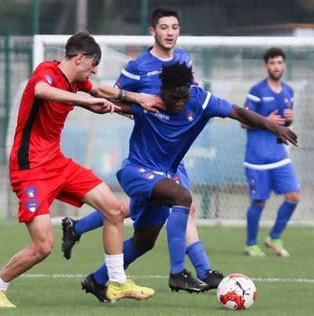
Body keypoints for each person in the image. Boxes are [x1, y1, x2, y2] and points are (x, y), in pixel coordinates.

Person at [78, 62, 297, 302]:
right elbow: (104, 99)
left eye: (183, 96)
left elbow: (238, 112)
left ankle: (97, 279)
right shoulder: (149, 102)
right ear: (163, 90)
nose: (179, 102)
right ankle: (177, 273)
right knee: (182, 196)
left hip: (164, 176)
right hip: (137, 172)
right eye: (174, 97)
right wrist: (86, 96)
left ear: (190, 89)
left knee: (144, 242)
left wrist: (271, 126)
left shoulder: (201, 101)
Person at [0, 31, 162, 308]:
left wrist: (137, 99)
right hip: (30, 168)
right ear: (79, 58)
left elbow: (100, 90)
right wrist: (86, 102)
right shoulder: (47, 72)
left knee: (114, 209)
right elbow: (41, 90)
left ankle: (115, 281)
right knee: (43, 246)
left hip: (57, 162)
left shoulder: (75, 81)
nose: (96, 70)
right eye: (93, 64)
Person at [61, 7, 224, 292]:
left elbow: (190, 93)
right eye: (164, 27)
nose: (170, 32)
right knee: (182, 205)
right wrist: (142, 109)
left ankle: (82, 241)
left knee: (133, 213)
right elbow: (114, 97)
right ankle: (202, 270)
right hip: (149, 154)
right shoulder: (137, 66)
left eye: (174, 27)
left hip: (173, 155)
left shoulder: (184, 59)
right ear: (153, 31)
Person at [242, 47, 301, 257]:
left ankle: (274, 237)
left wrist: (290, 119)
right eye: (272, 63)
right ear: (266, 66)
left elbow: (284, 122)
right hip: (257, 159)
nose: (276, 66)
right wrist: (266, 121)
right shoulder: (257, 90)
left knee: (294, 196)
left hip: (279, 157)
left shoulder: (288, 91)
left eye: (279, 63)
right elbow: (243, 122)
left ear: (284, 65)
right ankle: (250, 244)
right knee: (258, 201)